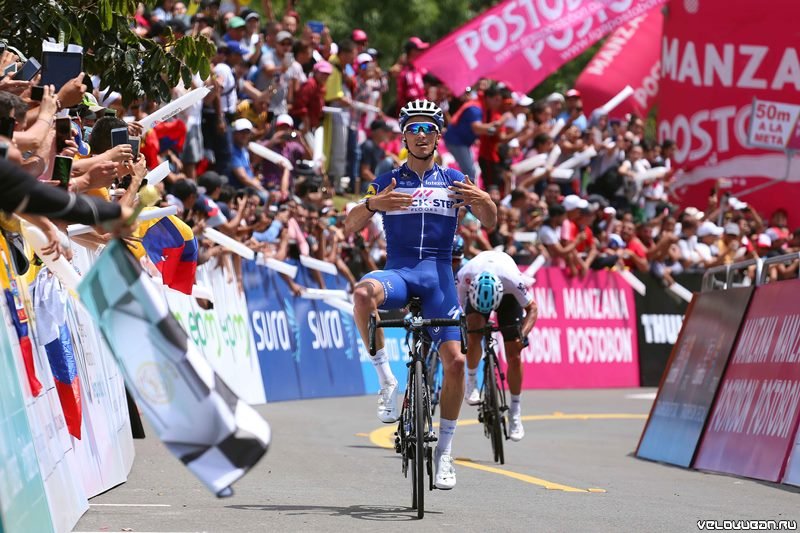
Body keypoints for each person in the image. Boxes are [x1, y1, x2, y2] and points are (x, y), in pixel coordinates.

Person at [345, 99, 496, 490]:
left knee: (457, 363)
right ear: (405, 134)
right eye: (415, 127)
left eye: (429, 128)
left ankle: (444, 453)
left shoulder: (454, 179)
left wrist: (483, 201)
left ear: (438, 134)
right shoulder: (388, 179)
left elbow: (492, 220)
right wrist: (372, 203)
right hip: (399, 272)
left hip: (439, 279)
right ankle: (386, 382)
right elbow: (349, 225)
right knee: (363, 294)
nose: (422, 134)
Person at [456, 250, 538, 441]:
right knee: (474, 330)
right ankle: (471, 382)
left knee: (514, 352)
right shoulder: (464, 275)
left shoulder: (513, 281)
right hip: (476, 296)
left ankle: (515, 412)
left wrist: (522, 335)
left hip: (507, 297)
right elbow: (459, 309)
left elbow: (532, 309)